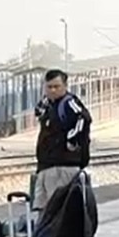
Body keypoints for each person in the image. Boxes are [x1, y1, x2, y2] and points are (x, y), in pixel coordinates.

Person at [33, 69, 92, 211]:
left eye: (56, 86)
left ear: (65, 86)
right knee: (43, 210)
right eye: (49, 87)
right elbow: (38, 113)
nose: (53, 90)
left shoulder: (69, 102)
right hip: (46, 166)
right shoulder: (47, 103)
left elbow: (84, 119)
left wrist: (71, 141)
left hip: (62, 166)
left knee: (58, 210)